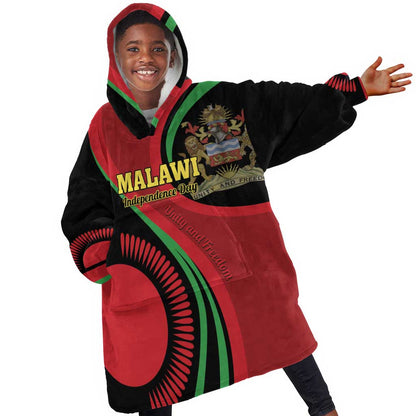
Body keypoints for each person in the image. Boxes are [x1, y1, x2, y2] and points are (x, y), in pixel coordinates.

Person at [61, 3, 411, 416]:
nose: (146, 58)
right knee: (153, 369)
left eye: (158, 48)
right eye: (133, 48)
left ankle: (324, 410)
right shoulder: (104, 128)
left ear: (173, 55)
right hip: (157, 281)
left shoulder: (219, 104)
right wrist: (104, 254)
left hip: (238, 268)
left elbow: (283, 108)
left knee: (283, 331)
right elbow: (85, 198)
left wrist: (354, 91)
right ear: (116, 57)